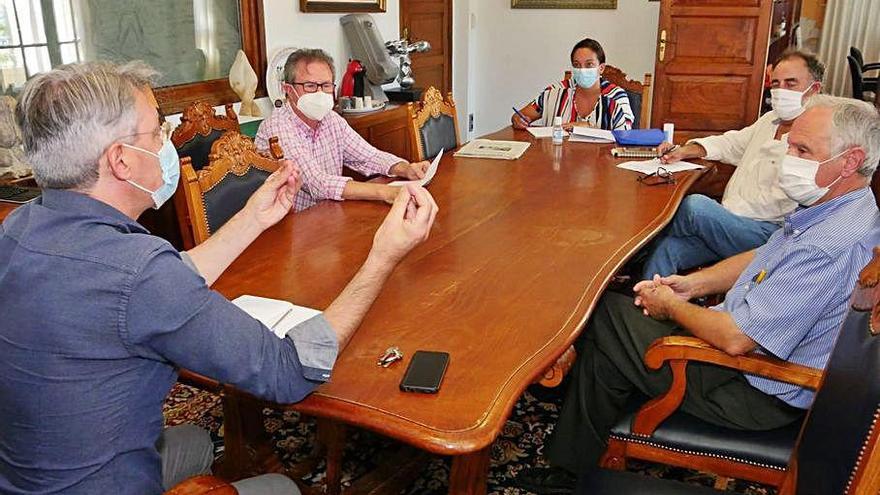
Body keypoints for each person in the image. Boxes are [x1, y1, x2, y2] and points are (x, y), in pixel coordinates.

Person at [0, 61, 438, 494]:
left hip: (27, 475)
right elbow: (290, 372)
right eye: (157, 132)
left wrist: (251, 219)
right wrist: (382, 258)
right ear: (121, 161)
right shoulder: (139, 272)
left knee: (192, 442)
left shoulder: (19, 227)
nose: (166, 144)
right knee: (281, 487)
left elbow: (157, 284)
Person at [517, 94, 880, 493]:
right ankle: (572, 466)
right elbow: (765, 253)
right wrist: (694, 284)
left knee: (607, 314)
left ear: (850, 161)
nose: (786, 158)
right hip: (747, 360)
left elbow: (735, 338)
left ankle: (564, 438)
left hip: (752, 391)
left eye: (802, 149)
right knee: (614, 336)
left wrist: (670, 304)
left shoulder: (827, 244)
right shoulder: (847, 209)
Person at [641, 50, 825, 280]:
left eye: (791, 84)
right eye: (776, 84)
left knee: (694, 207)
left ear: (814, 90)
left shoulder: (817, 138)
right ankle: (645, 309)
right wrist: (686, 150)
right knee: (667, 250)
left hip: (767, 235)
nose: (781, 92)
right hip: (728, 222)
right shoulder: (770, 120)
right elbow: (732, 143)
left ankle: (633, 248)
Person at [256, 48, 430, 212]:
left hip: (328, 214)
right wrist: (384, 192)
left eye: (326, 85)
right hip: (289, 228)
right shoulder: (277, 127)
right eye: (310, 86)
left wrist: (404, 168)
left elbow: (368, 155)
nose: (319, 93)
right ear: (288, 90)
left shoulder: (331, 119)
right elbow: (318, 183)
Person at [511, 38, 634, 131]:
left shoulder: (616, 97)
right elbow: (521, 116)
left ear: (601, 68)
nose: (582, 69)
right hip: (556, 160)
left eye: (589, 64)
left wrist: (589, 128)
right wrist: (517, 119)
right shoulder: (555, 91)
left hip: (601, 162)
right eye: (576, 65)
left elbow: (626, 136)